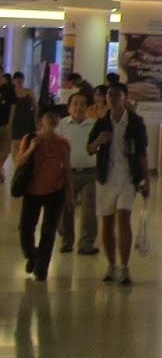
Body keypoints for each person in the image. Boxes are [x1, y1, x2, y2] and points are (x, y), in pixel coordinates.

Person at [87, 81, 150, 285]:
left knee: (124, 218)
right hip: (106, 177)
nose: (112, 99)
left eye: (117, 95)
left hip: (128, 177)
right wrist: (99, 141)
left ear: (124, 98)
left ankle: (124, 267)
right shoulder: (102, 122)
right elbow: (90, 148)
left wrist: (146, 180)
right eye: (109, 95)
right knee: (107, 222)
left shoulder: (135, 123)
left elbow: (141, 153)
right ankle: (111, 264)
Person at [16, 105, 72, 282]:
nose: (53, 119)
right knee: (25, 229)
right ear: (41, 120)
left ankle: (42, 269)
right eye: (49, 116)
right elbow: (19, 162)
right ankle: (32, 255)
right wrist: (32, 148)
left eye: (56, 116)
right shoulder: (30, 138)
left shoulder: (63, 143)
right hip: (32, 191)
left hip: (55, 191)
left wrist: (70, 195)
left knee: (49, 231)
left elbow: (67, 170)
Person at [56, 92, 100, 255]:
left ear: (87, 107)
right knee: (66, 208)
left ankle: (86, 243)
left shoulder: (94, 125)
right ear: (69, 107)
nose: (79, 107)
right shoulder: (62, 125)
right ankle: (66, 241)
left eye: (82, 104)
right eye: (75, 104)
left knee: (89, 209)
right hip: (67, 173)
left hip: (90, 173)